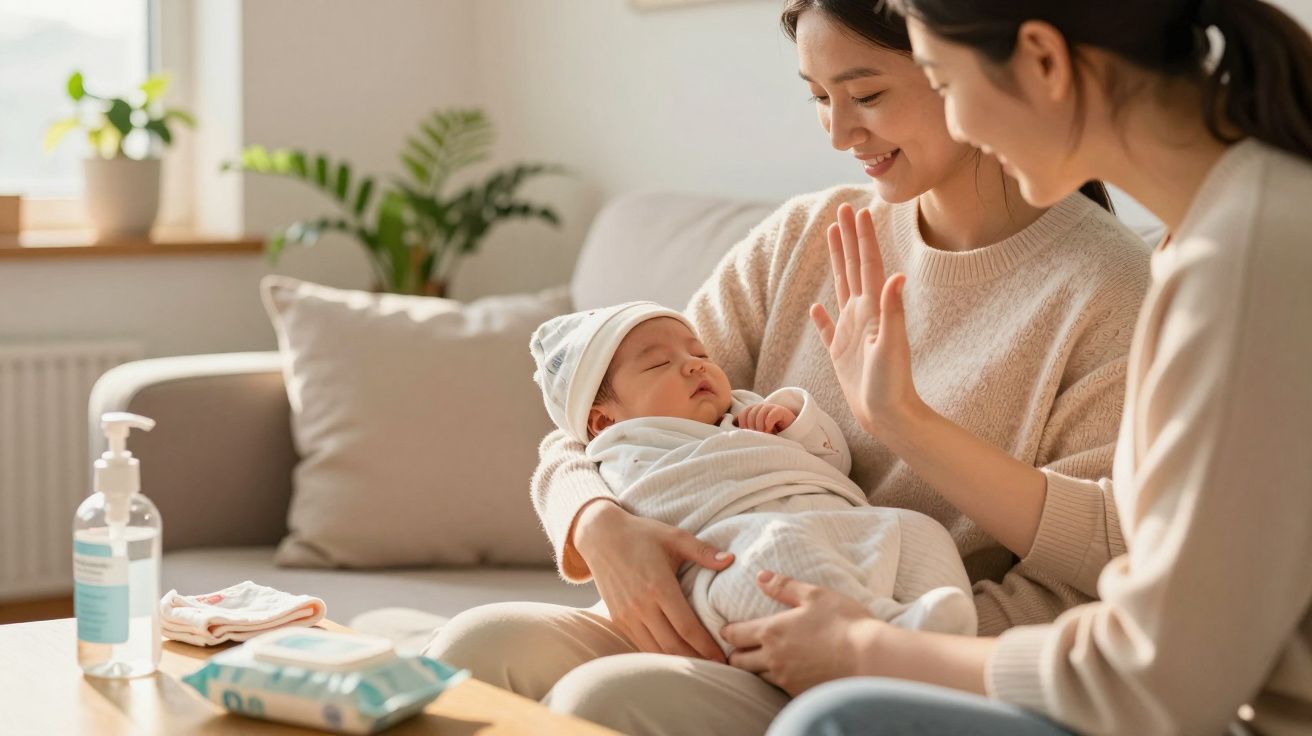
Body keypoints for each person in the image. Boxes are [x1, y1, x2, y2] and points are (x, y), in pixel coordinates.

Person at [423, 1, 1153, 732]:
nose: (838, 132)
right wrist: (596, 524)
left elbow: (1086, 582)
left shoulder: (1111, 290)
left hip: (883, 663)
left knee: (604, 703)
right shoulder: (803, 236)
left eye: (866, 95)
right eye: (817, 97)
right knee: (472, 649)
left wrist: (879, 641)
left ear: (959, 69)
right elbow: (600, 406)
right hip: (703, 598)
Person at [764, 1, 1312, 734]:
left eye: (944, 83)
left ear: (1044, 62)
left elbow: (1158, 683)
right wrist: (900, 420)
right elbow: (1134, 544)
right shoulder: (1217, 234)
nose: (957, 128)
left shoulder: (1248, 260)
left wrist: (869, 649)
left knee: (836, 720)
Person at [528, 302, 976, 655]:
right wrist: (594, 521)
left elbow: (834, 461)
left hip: (838, 524)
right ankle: (887, 631)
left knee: (919, 531)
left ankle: (943, 639)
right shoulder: (625, 449)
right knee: (776, 552)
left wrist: (791, 423)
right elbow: (649, 509)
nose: (693, 365)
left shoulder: (744, 411)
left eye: (699, 353)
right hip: (731, 558)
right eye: (658, 364)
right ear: (603, 422)